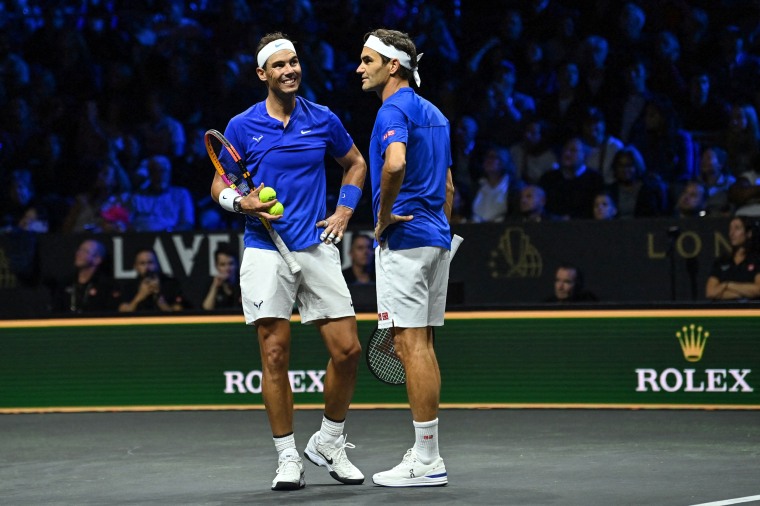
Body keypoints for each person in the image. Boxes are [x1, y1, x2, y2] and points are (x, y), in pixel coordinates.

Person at [210, 32, 367, 491]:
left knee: (348, 350)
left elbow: (354, 163)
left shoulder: (323, 119)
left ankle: (330, 441)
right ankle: (287, 457)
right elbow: (219, 184)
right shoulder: (241, 126)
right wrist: (242, 205)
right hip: (264, 251)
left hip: (316, 246)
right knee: (275, 355)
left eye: (294, 62)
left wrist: (343, 210)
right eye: (279, 65)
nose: (289, 70)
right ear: (263, 74)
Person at [357, 27, 453, 487]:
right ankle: (428, 452)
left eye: (367, 61)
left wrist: (384, 215)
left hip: (405, 242)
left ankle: (426, 458)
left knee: (408, 345)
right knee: (423, 345)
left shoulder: (391, 110)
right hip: (436, 239)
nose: (360, 68)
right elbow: (449, 186)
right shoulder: (435, 112)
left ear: (392, 66)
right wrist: (442, 227)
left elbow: (394, 163)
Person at [52, 239, 120, 314]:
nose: (78, 253)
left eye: (85, 251)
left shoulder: (106, 286)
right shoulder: (66, 283)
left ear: (97, 259)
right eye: (79, 250)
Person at [129, 155, 195, 232]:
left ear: (169, 173)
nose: (160, 175)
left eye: (163, 171)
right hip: (140, 238)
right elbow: (127, 222)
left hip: (170, 238)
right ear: (149, 174)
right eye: (155, 171)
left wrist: (170, 232)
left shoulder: (181, 195)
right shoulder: (138, 197)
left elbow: (187, 224)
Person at [705, 216, 760, 301]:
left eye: (737, 228)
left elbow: (758, 290)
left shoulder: (756, 260)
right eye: (730, 229)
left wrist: (728, 285)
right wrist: (744, 294)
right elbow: (711, 292)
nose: (732, 233)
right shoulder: (722, 261)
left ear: (748, 233)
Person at [117, 248, 188, 312]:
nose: (147, 267)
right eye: (142, 263)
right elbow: (122, 314)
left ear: (157, 264)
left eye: (150, 262)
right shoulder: (129, 287)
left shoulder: (171, 284)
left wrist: (160, 299)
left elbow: (179, 313)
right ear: (136, 267)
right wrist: (139, 296)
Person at [201, 243, 241, 310]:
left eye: (231, 264)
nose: (227, 268)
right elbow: (206, 309)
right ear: (216, 266)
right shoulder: (211, 284)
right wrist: (215, 287)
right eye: (222, 265)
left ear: (237, 264)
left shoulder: (244, 284)